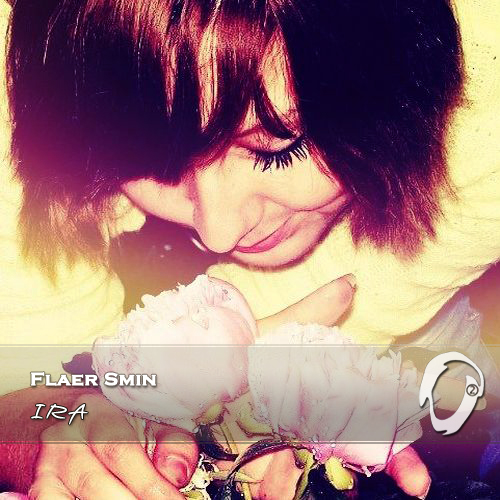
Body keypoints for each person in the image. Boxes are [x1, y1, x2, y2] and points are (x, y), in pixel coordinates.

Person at [0, 0, 498, 498]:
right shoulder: (22, 67)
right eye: (150, 163)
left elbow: (336, 306)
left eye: (278, 148)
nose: (219, 232)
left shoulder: (487, 88)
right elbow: (27, 368)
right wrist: (57, 428)